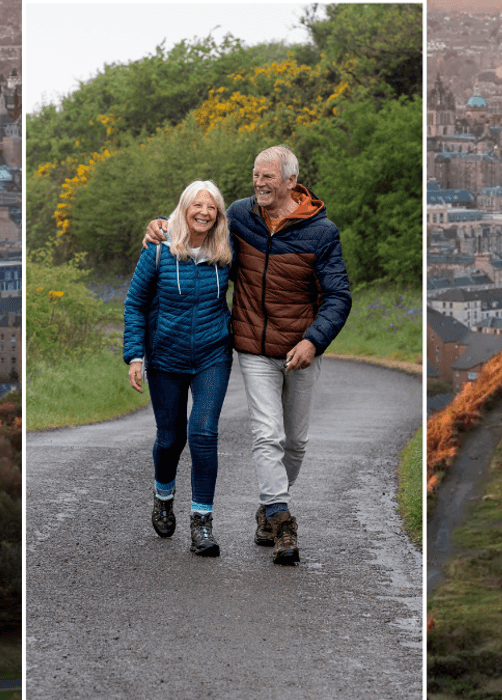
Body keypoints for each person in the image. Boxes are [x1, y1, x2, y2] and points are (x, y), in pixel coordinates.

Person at [145, 146, 351, 566]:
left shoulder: (322, 232)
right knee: (266, 434)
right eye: (255, 176)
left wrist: (314, 341)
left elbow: (338, 296)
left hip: (301, 350)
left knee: (295, 443)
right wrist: (161, 224)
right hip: (253, 349)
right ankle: (281, 518)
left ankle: (266, 508)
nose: (259, 183)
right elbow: (197, 217)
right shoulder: (240, 215)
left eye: (268, 178)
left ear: (291, 182)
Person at [124, 180, 234, 557]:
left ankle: (202, 523)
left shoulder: (226, 250)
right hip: (166, 357)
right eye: (197, 206)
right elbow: (135, 304)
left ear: (219, 214)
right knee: (171, 438)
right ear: (184, 208)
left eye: (212, 207)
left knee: (203, 432)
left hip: (212, 355)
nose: (204, 212)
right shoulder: (159, 249)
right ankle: (163, 495)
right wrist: (135, 356)